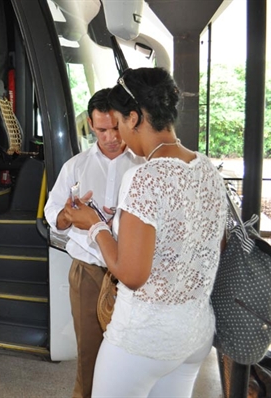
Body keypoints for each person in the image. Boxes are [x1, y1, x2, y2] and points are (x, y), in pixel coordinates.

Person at [68, 67, 227, 397]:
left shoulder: (144, 177)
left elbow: (132, 274)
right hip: (195, 333)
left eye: (121, 122)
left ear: (135, 117)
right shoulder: (207, 169)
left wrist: (95, 225)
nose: (120, 136)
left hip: (144, 340)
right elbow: (213, 245)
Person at [44, 88, 145, 398]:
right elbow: (53, 216)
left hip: (134, 274)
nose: (111, 137)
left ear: (129, 121)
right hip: (89, 271)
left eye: (116, 128)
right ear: (90, 124)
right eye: (102, 129)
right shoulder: (75, 166)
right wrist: (70, 216)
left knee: (134, 355)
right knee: (88, 354)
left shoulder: (142, 164)